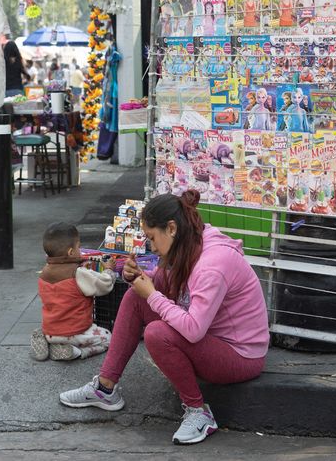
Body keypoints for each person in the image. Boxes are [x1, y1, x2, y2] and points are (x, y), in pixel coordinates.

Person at [59, 191, 269, 445]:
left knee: (158, 333)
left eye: (151, 238)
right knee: (135, 296)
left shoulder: (213, 263)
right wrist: (141, 278)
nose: (152, 247)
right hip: (212, 338)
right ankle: (105, 389)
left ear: (171, 228)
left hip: (241, 355)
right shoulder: (192, 242)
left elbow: (193, 329)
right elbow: (177, 287)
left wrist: (153, 295)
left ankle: (198, 413)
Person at [30, 222, 116, 362]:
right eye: (78, 247)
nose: (80, 250)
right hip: (76, 332)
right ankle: (78, 352)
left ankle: (45, 339)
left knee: (55, 333)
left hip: (51, 330)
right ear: (71, 252)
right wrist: (109, 270)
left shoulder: (44, 273)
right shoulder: (78, 273)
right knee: (108, 338)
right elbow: (104, 285)